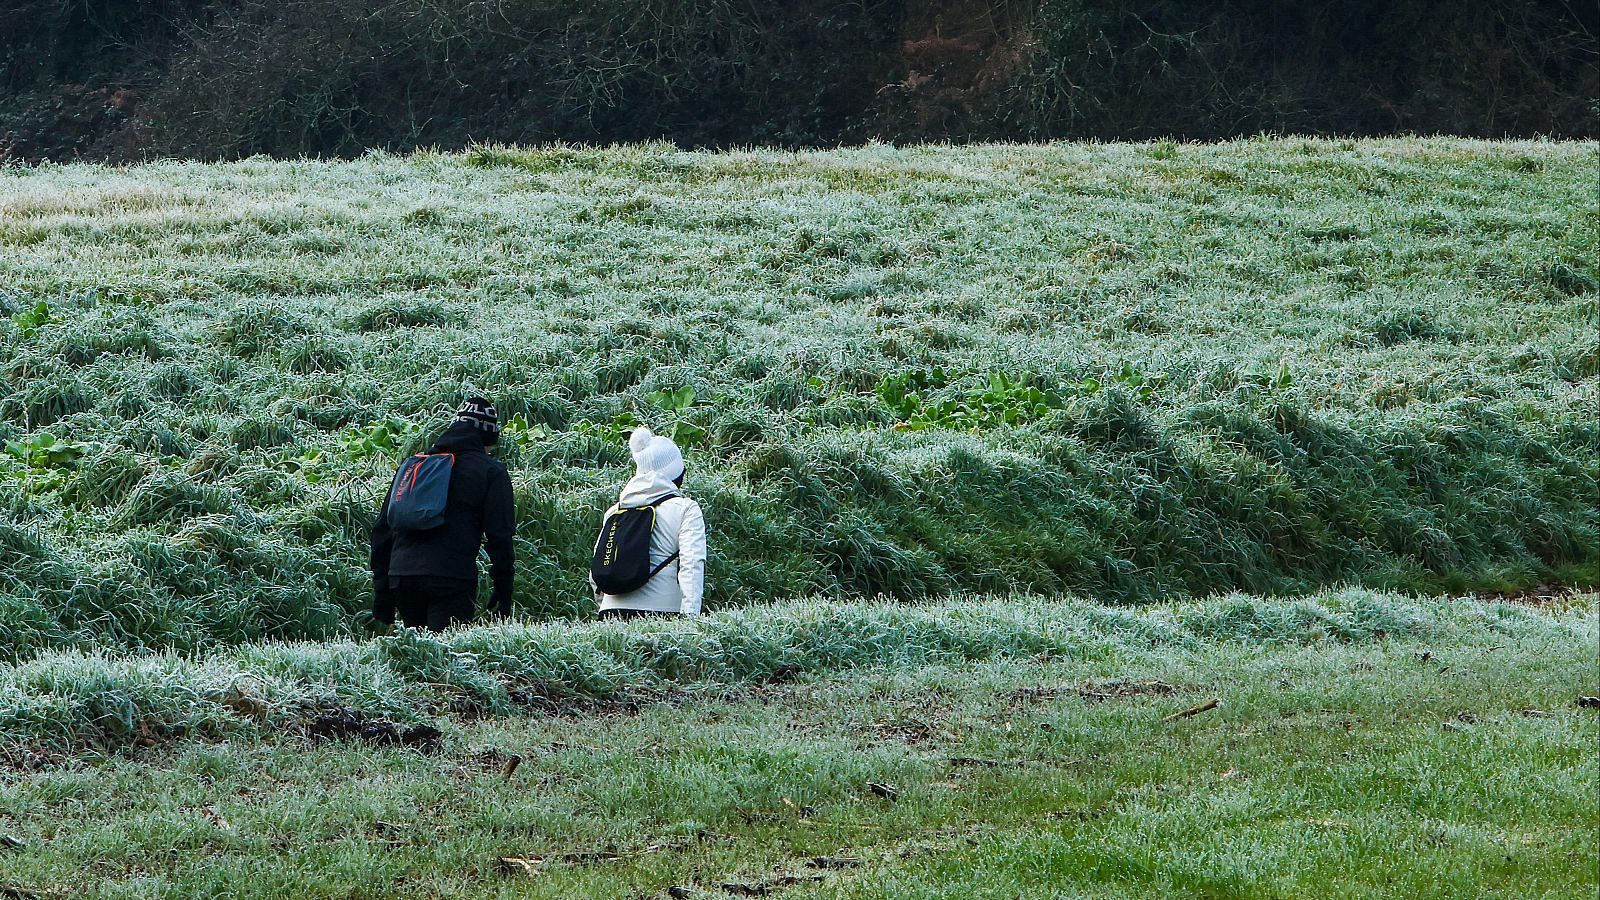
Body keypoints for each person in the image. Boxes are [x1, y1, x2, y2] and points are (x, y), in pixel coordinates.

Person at [370, 397, 515, 631]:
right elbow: (500, 537)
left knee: (417, 657)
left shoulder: (414, 466)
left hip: (402, 577)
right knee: (445, 657)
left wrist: (382, 591)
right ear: (486, 439)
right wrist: (503, 591)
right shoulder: (490, 471)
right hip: (450, 578)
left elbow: (382, 530)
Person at [592, 425, 706, 619]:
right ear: (676, 473)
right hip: (661, 613)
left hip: (610, 614)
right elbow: (692, 564)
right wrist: (690, 617)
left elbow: (599, 562)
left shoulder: (615, 511)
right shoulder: (685, 508)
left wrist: (604, 606)